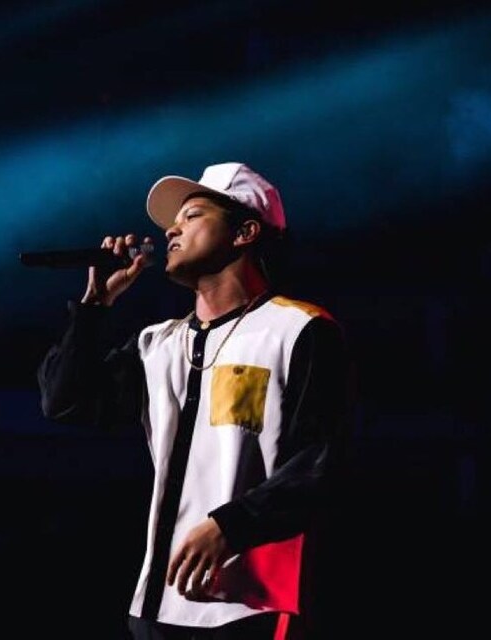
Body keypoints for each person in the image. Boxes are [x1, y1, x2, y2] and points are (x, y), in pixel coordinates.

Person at [37, 162, 355, 639]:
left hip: (248, 608)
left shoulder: (299, 331)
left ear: (245, 233)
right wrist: (93, 308)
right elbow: (65, 402)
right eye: (174, 221)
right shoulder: (158, 344)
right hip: (155, 609)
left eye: (192, 215)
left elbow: (321, 464)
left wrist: (229, 526)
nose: (172, 229)